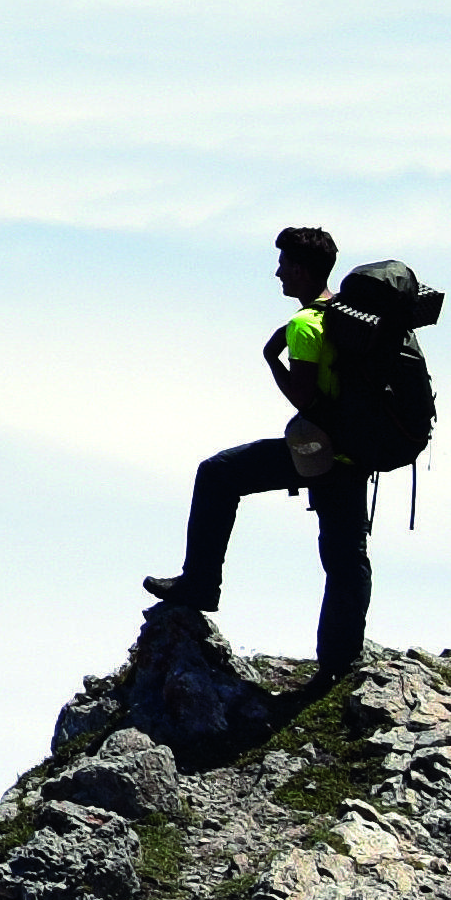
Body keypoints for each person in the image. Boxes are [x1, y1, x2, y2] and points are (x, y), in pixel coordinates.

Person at [148, 224, 376, 689]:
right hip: (358, 451)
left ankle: (200, 584)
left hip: (320, 453)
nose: (277, 274)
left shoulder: (305, 326)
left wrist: (273, 357)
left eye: (283, 264)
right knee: (346, 557)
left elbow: (306, 401)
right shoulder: (348, 316)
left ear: (301, 268)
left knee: (218, 473)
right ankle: (339, 661)